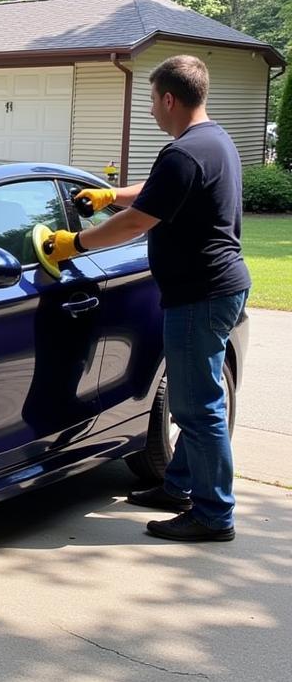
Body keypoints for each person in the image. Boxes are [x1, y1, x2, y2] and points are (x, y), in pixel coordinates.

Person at [43, 54, 251, 542]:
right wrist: (110, 195)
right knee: (195, 400)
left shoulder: (182, 152)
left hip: (200, 295)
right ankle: (178, 487)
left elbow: (141, 222)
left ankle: (214, 514)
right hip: (221, 287)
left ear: (169, 98)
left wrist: (77, 243)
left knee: (198, 409)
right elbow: (159, 193)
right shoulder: (213, 141)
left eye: (153, 100)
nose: (152, 109)